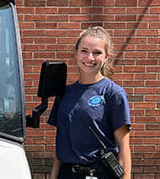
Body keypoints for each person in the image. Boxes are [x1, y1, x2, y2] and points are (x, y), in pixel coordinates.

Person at [48, 26, 131, 179]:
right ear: (76, 53)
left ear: (107, 56)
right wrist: (53, 176)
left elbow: (124, 146)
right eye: (84, 51)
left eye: (97, 52)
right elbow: (61, 144)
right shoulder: (64, 93)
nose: (90, 58)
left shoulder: (114, 94)